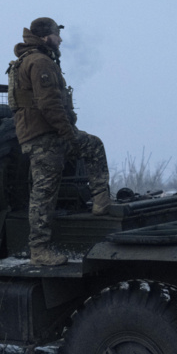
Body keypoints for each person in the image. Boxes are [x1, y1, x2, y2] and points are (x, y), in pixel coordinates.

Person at [9, 17, 111, 266]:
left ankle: (101, 202)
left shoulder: (32, 59)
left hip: (46, 133)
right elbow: (48, 104)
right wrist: (68, 132)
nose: (60, 39)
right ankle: (39, 250)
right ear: (46, 37)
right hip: (45, 136)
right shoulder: (40, 61)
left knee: (93, 145)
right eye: (57, 34)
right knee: (44, 193)